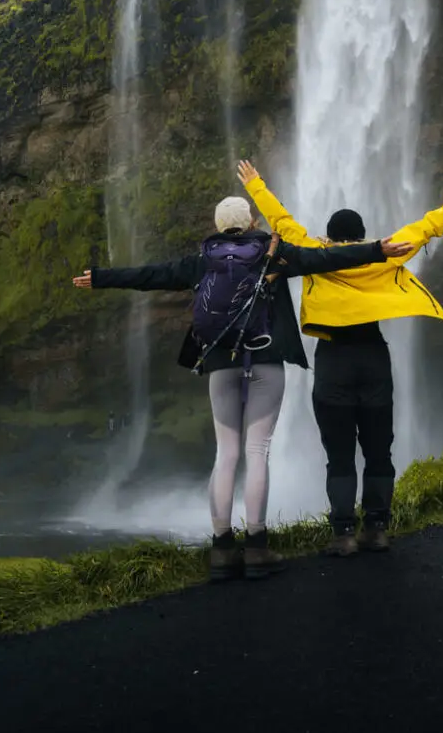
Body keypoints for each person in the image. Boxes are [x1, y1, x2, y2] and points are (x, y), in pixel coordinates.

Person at [72, 195, 414, 582]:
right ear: (251, 222)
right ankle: (256, 546)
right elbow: (325, 259)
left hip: (220, 363)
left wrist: (100, 277)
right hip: (266, 360)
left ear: (219, 226)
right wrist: (377, 250)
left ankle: (221, 548)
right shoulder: (274, 252)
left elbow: (150, 276)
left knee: (227, 453)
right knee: (258, 450)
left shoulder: (201, 261)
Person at [237, 159, 443, 557]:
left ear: (330, 237)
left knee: (338, 453)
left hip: (334, 361)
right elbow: (429, 226)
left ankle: (342, 535)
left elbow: (281, 222)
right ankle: (377, 528)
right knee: (378, 449)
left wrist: (256, 186)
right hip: (374, 360)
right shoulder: (383, 254)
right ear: (363, 235)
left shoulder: (316, 254)